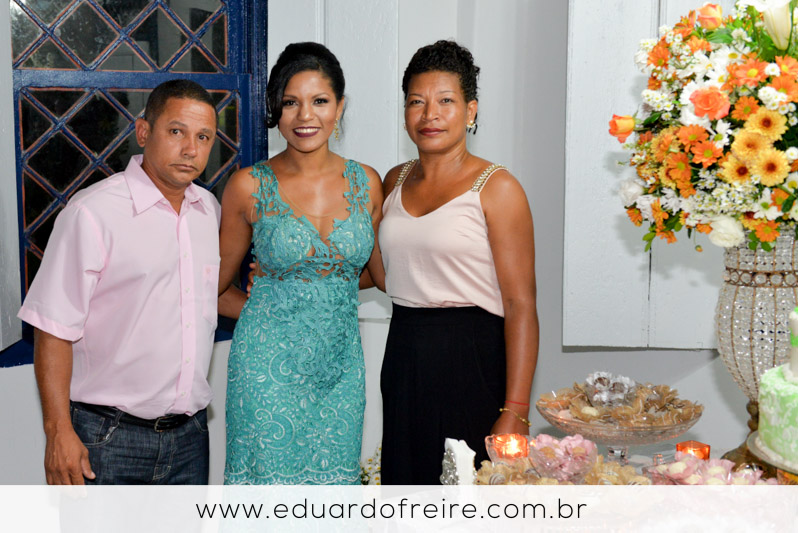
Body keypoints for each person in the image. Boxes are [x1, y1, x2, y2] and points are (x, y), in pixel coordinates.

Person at [18, 79, 222, 485]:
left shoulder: (208, 211)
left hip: (190, 438)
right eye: (176, 131)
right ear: (143, 132)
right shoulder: (92, 214)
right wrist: (58, 432)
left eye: (203, 137)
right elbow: (53, 329)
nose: (190, 149)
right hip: (108, 439)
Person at [218, 42, 383, 484]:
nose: (305, 116)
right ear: (276, 108)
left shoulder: (367, 183)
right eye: (291, 102)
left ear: (340, 106)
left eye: (320, 101)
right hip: (265, 372)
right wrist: (269, 308)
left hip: (340, 374)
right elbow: (212, 289)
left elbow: (374, 274)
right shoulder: (248, 186)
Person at [377, 40, 539, 484]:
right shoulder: (393, 181)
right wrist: (290, 275)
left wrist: (516, 411)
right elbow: (378, 272)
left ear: (470, 111)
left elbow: (521, 305)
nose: (429, 114)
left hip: (473, 359)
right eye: (417, 102)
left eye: (445, 101)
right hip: (404, 354)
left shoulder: (498, 188)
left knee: (466, 497)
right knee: (406, 493)